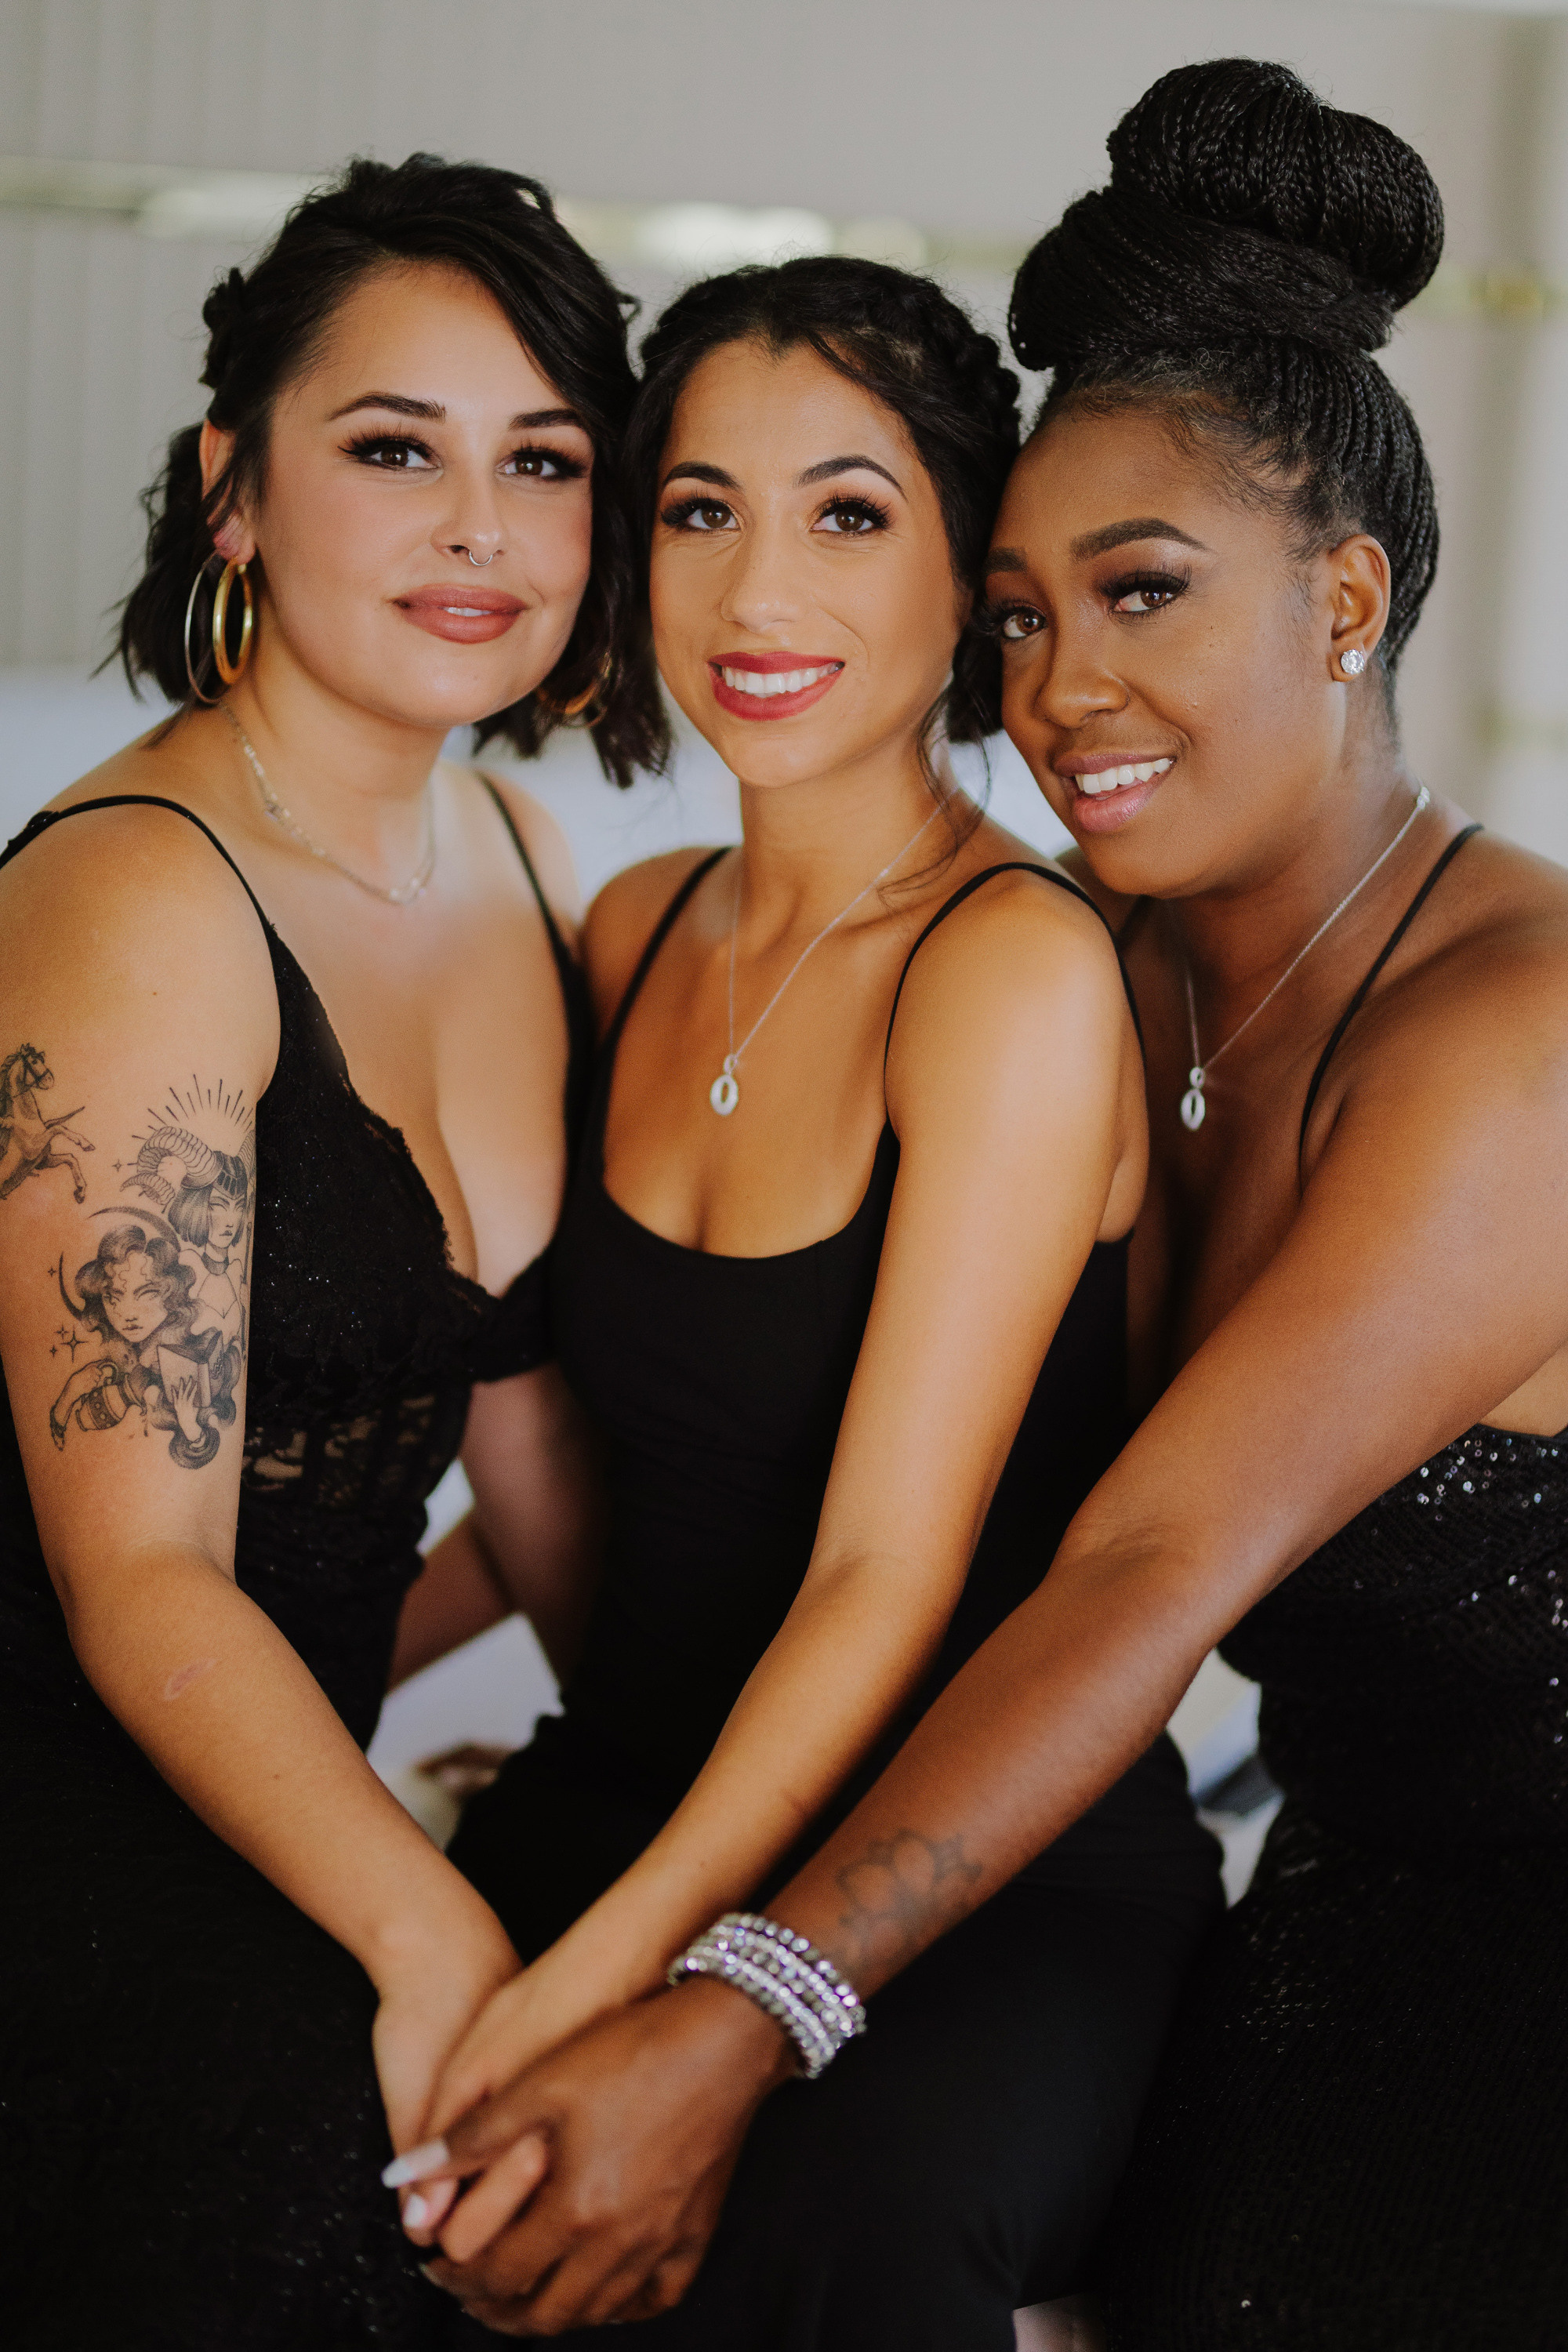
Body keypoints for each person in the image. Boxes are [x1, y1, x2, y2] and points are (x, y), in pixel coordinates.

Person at [407, 60, 1568, 2351]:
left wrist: (735, 2010)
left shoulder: (1513, 1036)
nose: (1060, 691)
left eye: (1140, 593)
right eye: (1020, 615)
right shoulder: (1111, 969)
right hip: (1322, 1902)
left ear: (1349, 597)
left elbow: (1142, 1566)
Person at [401, 255, 1220, 2348]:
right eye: (700, 508)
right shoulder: (629, 924)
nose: (761, 589)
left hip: (961, 1881)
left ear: (968, 576)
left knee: (819, 2249)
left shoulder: (1012, 974)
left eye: (849, 511)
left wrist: (598, 1986)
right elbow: (593, 1463)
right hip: (641, 1791)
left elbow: (876, 1573)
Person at [0, 154, 666, 2348]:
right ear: (235, 492)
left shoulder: (522, 843)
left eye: (543, 463)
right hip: (83, 1831)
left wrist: (695, 1822)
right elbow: (142, 1575)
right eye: (396, 448)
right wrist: (430, 1940)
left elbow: (529, 1429)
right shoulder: (136, 900)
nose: (481, 527)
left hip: (304, 1817)